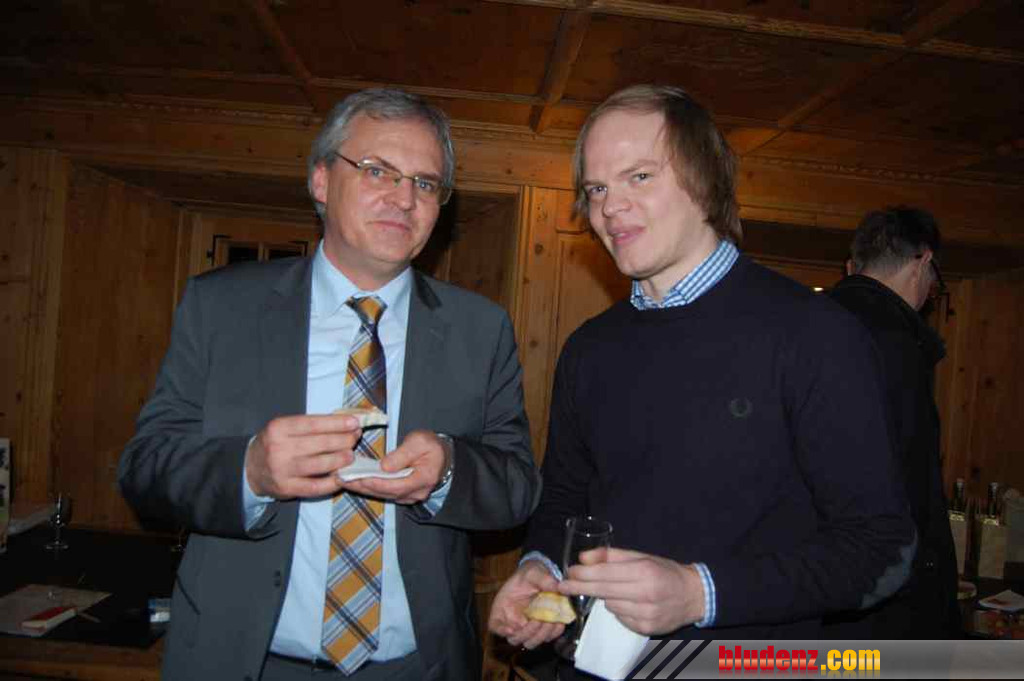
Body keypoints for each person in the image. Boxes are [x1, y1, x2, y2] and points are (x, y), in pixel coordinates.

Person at [488, 84, 916, 671]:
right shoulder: (590, 348)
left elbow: (881, 550)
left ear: (706, 181)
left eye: (639, 176)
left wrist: (699, 594)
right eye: (596, 188)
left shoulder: (814, 333)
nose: (609, 207)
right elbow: (564, 498)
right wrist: (540, 566)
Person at [119, 88, 541, 681]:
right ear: (321, 180)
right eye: (377, 171)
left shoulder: (481, 328)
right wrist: (250, 471)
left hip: (416, 667)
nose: (404, 198)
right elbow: (145, 469)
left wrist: (449, 470)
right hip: (248, 662)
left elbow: (518, 487)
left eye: (425, 183)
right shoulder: (221, 308)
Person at [825, 207, 960, 639]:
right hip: (883, 600)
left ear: (853, 267)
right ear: (923, 261)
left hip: (816, 586)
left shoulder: (807, 324)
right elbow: (913, 487)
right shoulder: (898, 345)